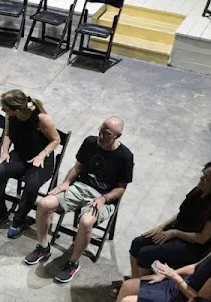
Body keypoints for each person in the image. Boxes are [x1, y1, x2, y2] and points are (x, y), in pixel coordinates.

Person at [26, 116, 134, 284]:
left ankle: (73, 262)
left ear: (117, 136)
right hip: (80, 187)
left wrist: (104, 198)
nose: (101, 136)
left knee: (86, 221)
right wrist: (66, 182)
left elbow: (121, 188)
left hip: (103, 196)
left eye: (106, 134)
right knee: (44, 204)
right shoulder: (90, 142)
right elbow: (77, 167)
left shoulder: (125, 157)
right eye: (100, 131)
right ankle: (43, 246)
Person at [128, 161, 211, 277]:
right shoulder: (198, 191)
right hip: (178, 232)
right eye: (203, 174)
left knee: (146, 253)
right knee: (137, 243)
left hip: (192, 246)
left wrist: (175, 233)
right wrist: (161, 227)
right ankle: (133, 279)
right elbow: (181, 214)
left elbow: (202, 238)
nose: (201, 179)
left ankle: (138, 286)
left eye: (207, 179)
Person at [0, 90, 61, 239]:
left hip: (41, 159)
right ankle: (0, 214)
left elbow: (56, 139)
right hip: (20, 155)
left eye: (5, 108)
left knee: (32, 185)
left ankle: (19, 220)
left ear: (17, 110)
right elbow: (7, 134)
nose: (3, 111)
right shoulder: (10, 116)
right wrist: (5, 152)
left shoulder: (41, 118)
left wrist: (42, 155)